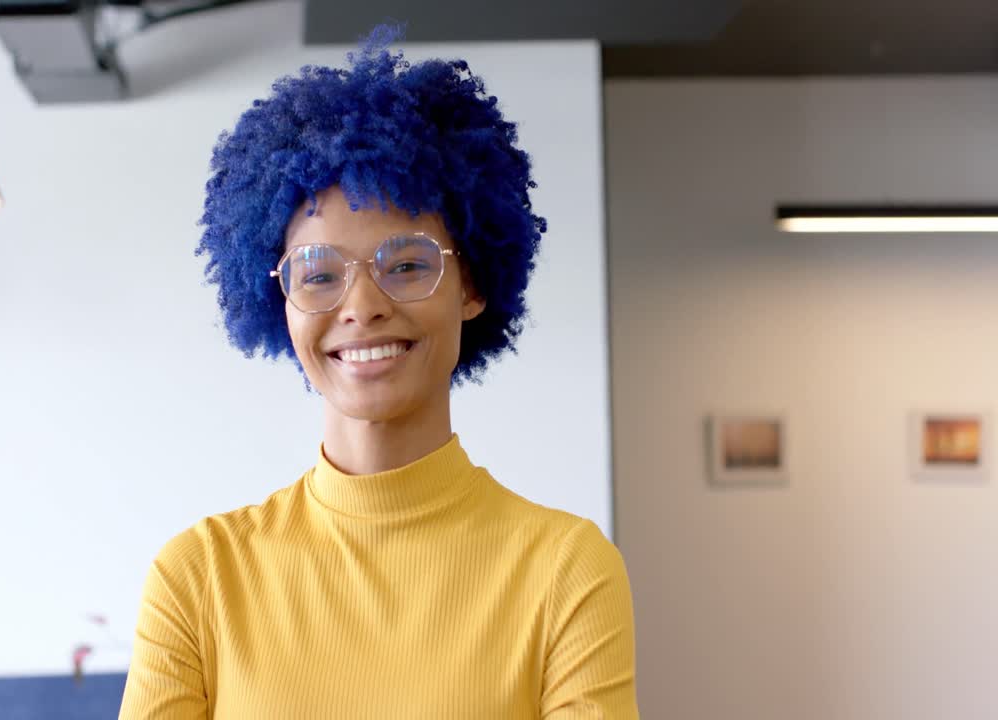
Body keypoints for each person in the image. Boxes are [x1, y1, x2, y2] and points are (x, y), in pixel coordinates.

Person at [119, 27, 639, 719]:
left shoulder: (566, 572)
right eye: (319, 275)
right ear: (279, 301)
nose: (362, 307)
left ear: (473, 285)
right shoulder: (198, 578)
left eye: (408, 265)